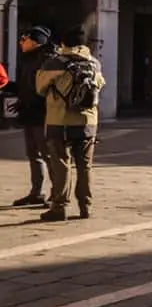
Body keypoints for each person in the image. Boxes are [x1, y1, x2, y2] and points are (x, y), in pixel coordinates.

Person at [36, 25, 104, 222]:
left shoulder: (54, 62)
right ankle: (85, 206)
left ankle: (59, 207)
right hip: (88, 122)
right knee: (85, 166)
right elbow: (99, 85)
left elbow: (40, 88)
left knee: (61, 164)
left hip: (59, 121)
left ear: (63, 42)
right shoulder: (94, 63)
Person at [11, 26, 54, 207]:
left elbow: (44, 90)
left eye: (24, 38)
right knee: (33, 155)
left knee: (49, 155)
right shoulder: (27, 60)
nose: (21, 41)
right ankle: (36, 192)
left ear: (35, 41)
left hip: (43, 115)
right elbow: (26, 86)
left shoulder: (47, 60)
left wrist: (30, 101)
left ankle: (56, 195)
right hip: (29, 114)